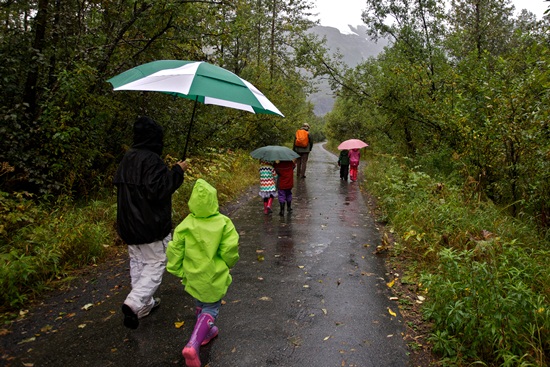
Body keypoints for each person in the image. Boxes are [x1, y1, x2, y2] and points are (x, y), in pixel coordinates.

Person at [113, 116, 188, 329]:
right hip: (149, 225)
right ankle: (135, 302)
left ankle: (144, 306)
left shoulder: (128, 158)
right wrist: (177, 171)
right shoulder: (152, 160)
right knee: (156, 263)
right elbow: (160, 190)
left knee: (138, 262)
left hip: (128, 225)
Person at [166, 179, 240, 367]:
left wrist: (176, 269)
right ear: (213, 201)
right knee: (211, 308)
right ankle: (193, 344)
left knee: (200, 300)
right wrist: (230, 263)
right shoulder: (223, 223)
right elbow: (230, 249)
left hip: (193, 274)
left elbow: (175, 248)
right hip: (213, 276)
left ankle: (206, 331)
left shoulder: (186, 224)